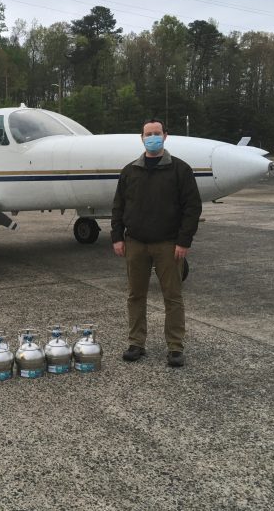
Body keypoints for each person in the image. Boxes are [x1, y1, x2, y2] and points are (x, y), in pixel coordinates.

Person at [111, 119, 202, 367]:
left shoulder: (180, 170)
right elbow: (118, 206)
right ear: (142, 138)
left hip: (168, 245)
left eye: (157, 133)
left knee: (172, 297)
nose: (152, 137)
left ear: (165, 136)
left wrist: (184, 241)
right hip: (136, 244)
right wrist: (117, 237)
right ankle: (136, 343)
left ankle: (175, 347)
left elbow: (192, 208)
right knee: (135, 295)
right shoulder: (130, 171)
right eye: (148, 134)